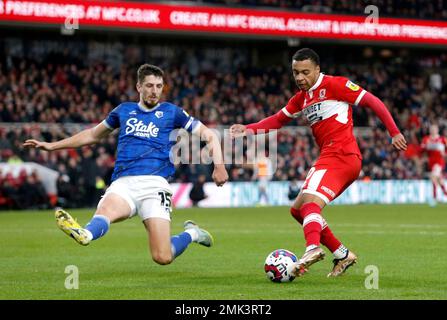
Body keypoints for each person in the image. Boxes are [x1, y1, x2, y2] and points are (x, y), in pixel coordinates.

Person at [23, 64, 229, 265]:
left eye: (159, 86)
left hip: (155, 186)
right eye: (149, 85)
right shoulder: (123, 111)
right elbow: (92, 135)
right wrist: (52, 146)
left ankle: (192, 233)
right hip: (123, 183)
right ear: (139, 87)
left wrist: (218, 165)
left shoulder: (171, 112)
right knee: (104, 213)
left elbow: (209, 134)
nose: (154, 91)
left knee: (163, 257)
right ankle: (85, 234)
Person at [230, 48, 407, 277]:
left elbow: (373, 102)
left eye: (305, 72)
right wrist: (249, 128)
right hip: (330, 157)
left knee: (309, 206)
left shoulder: (336, 85)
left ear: (317, 70)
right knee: (297, 211)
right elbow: (277, 120)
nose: (300, 78)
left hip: (342, 155)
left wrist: (394, 132)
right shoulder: (301, 98)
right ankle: (342, 254)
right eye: (295, 72)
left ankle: (312, 248)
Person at [421, 124, 447, 206]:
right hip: (431, 162)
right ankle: (445, 195)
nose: (433, 130)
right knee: (439, 180)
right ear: (429, 130)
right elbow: (422, 148)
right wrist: (426, 146)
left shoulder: (442, 139)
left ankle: (434, 198)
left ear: (437, 130)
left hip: (439, 161)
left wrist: (444, 153)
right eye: (431, 129)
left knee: (433, 177)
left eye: (434, 129)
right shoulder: (426, 139)